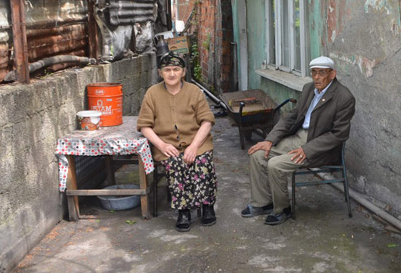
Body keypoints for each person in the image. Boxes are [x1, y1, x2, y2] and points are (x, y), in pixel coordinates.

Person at [240, 56, 356, 225]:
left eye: (322, 73)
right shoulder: (309, 88)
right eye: (314, 73)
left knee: (275, 164)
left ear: (332, 74)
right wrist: (270, 140)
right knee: (258, 154)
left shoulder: (344, 97)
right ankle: (263, 203)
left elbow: (339, 134)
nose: (317, 77)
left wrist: (307, 150)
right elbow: (292, 116)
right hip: (298, 137)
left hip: (319, 148)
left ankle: (282, 209)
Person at [137, 51, 217, 232]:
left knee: (202, 161)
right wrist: (161, 145)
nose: (172, 74)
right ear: (160, 73)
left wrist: (194, 146)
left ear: (183, 72)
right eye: (167, 70)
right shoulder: (152, 93)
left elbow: (206, 121)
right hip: (167, 145)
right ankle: (183, 211)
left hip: (197, 142)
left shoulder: (194, 92)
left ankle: (207, 206)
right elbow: (144, 126)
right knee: (175, 164)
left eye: (176, 69)